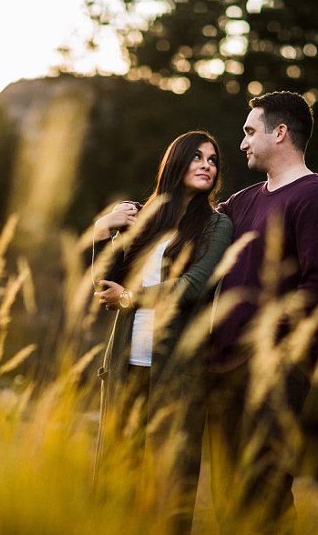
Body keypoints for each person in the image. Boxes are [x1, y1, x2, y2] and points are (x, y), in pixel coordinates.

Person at [205, 91, 318, 534]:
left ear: (280, 132)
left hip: (276, 367)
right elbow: (197, 226)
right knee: (228, 493)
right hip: (225, 368)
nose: (243, 142)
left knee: (264, 492)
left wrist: (262, 341)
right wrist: (125, 217)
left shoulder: (316, 198)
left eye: (251, 131)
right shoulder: (245, 200)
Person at [91, 130, 233, 533]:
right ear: (176, 162)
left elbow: (195, 285)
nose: (208, 165)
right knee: (116, 482)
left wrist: (132, 297)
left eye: (213, 159)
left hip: (175, 376)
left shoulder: (217, 226)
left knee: (168, 490)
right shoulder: (146, 218)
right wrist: (104, 228)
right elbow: (103, 284)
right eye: (198, 157)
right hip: (124, 370)